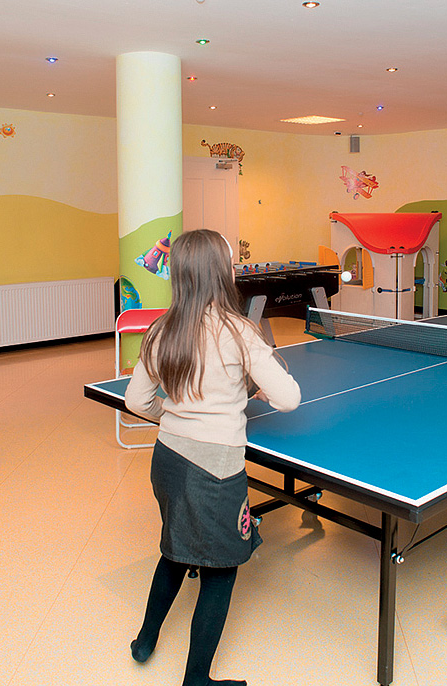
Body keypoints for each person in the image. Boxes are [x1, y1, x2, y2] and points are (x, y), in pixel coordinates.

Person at [123, 229, 301, 686]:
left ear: (179, 274)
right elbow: (289, 398)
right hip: (215, 471)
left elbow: (136, 401)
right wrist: (252, 387)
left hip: (167, 459)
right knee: (220, 572)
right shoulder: (238, 332)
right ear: (223, 272)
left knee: (175, 551)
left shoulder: (162, 329)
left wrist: (175, 415)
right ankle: (197, 680)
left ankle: (144, 641)